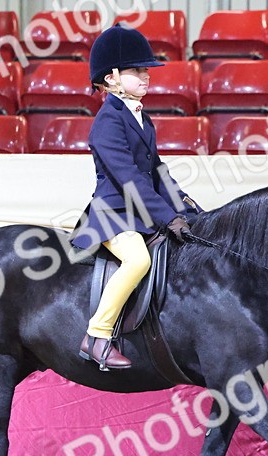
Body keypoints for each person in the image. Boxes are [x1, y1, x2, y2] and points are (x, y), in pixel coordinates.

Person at [70, 23, 200, 370]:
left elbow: (157, 173)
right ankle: (97, 335)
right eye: (137, 71)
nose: (146, 76)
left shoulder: (142, 118)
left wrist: (186, 207)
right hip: (113, 214)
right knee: (138, 260)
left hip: (139, 212)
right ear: (110, 78)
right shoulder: (107, 123)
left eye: (146, 70)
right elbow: (128, 179)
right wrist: (166, 217)